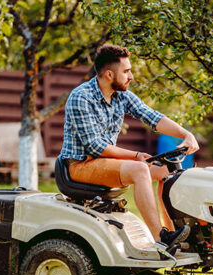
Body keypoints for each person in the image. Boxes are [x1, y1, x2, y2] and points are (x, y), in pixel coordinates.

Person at [59, 44, 199, 247]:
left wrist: (186, 134)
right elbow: (95, 147)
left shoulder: (120, 95)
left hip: (105, 161)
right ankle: (159, 238)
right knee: (140, 169)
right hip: (79, 165)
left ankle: (174, 232)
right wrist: (135, 155)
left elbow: (153, 117)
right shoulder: (81, 97)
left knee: (165, 170)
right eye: (126, 71)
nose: (131, 76)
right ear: (109, 74)